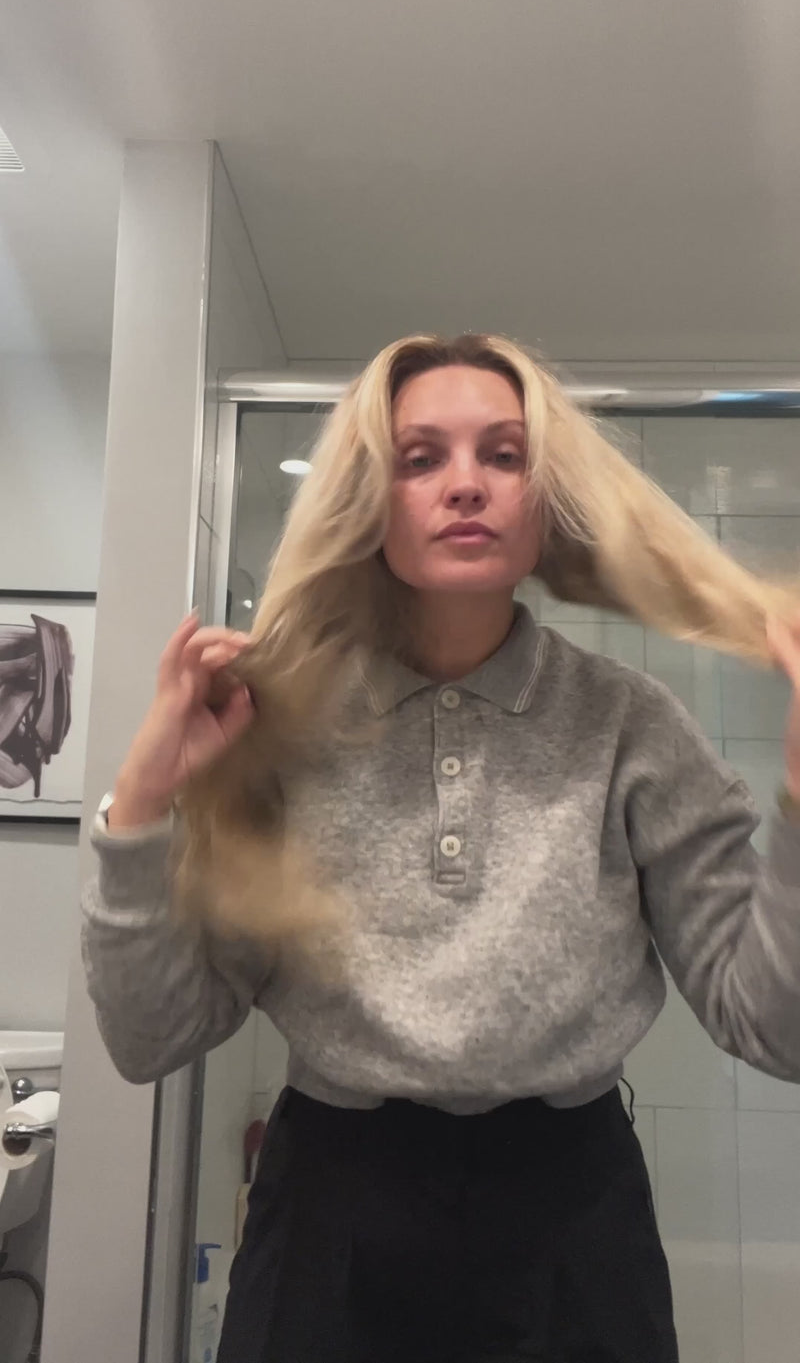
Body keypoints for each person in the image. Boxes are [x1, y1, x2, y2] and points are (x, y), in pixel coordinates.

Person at [82, 333, 800, 1363]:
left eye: (502, 455)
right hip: (329, 1216)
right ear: (371, 498)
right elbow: (150, 1040)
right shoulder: (280, 730)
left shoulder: (631, 727)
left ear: (543, 494)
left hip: (574, 1223)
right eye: (419, 458)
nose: (464, 484)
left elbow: (771, 1027)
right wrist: (144, 799)